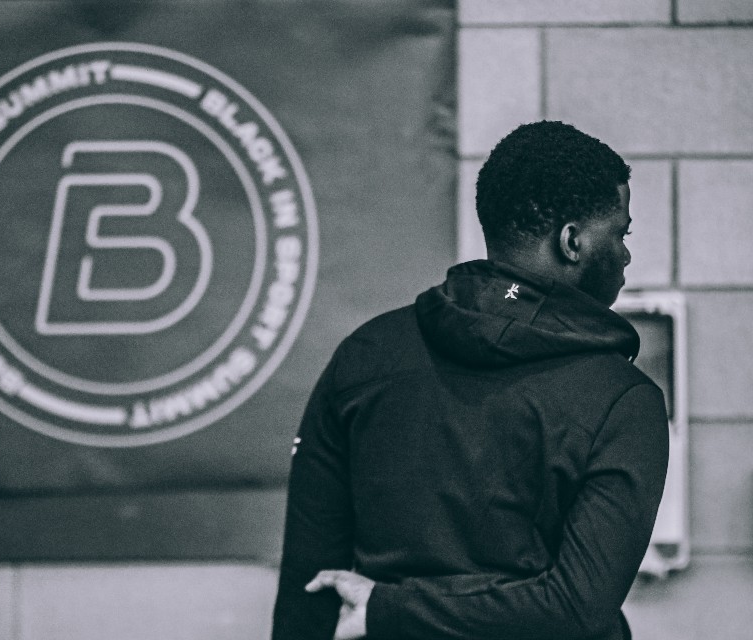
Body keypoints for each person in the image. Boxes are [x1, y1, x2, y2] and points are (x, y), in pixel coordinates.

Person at [270, 121, 670, 640]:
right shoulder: (624, 400)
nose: (626, 253)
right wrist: (391, 609)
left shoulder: (365, 356)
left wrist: (388, 609)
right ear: (572, 241)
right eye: (620, 233)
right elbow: (577, 608)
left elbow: (310, 593)